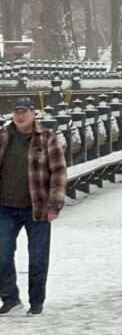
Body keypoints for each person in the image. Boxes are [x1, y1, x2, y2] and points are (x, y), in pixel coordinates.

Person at [0, 97, 66, 316]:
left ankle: (36, 301)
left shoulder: (47, 138)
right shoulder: (3, 136)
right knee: (2, 254)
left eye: (24, 112)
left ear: (33, 114)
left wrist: (54, 205)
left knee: (38, 257)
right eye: (16, 112)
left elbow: (58, 172)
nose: (20, 116)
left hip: (37, 207)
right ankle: (9, 298)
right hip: (5, 207)